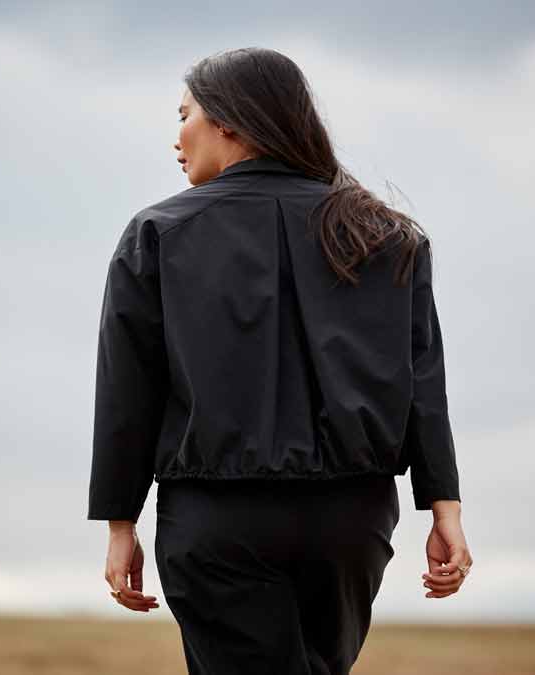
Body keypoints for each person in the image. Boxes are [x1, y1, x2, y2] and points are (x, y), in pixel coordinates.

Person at [87, 46, 473, 675]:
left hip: (217, 517)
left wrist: (120, 521)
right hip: (353, 523)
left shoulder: (157, 232)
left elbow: (128, 390)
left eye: (185, 115)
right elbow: (423, 379)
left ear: (230, 122)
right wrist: (444, 508)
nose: (176, 138)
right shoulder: (387, 234)